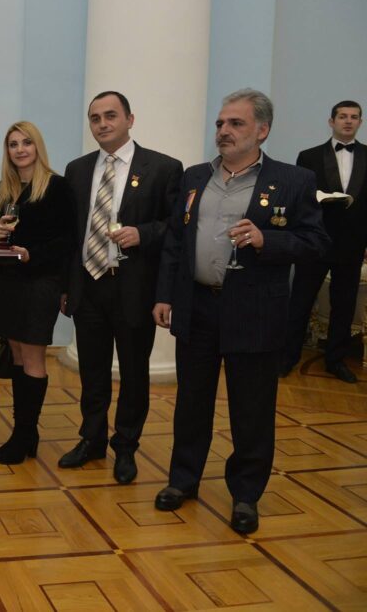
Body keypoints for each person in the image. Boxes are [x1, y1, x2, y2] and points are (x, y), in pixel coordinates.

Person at [153, 89, 328, 534]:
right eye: (220, 123)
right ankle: (183, 480)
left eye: (236, 124)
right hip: (197, 305)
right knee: (191, 402)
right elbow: (176, 240)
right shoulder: (195, 177)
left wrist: (269, 240)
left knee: (251, 409)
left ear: (262, 130)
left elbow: (316, 244)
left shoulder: (293, 181)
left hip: (254, 311)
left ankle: (246, 494)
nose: (224, 131)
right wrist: (165, 295)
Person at [61, 91, 182, 484]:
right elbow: (70, 234)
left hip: (133, 288)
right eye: (95, 118)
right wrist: (67, 286)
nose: (102, 124)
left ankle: (126, 446)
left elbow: (176, 227)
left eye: (110, 115)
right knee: (92, 372)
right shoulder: (78, 169)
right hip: (89, 286)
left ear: (130, 119)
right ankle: (92, 439)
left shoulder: (163, 168)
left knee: (133, 374)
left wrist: (142, 234)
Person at [0, 121, 76, 464]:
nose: (20, 149)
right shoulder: (6, 191)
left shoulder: (56, 186)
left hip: (41, 282)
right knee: (16, 354)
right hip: (11, 282)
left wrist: (32, 255)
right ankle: (25, 431)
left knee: (32, 356)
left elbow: (67, 240)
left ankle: (24, 432)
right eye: (13, 144)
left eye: (26, 142)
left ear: (37, 146)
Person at [281, 101, 366, 383]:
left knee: (344, 304)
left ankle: (336, 361)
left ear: (360, 122)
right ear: (331, 121)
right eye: (342, 116)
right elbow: (299, 199)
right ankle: (288, 357)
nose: (348, 121)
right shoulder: (309, 156)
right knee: (300, 301)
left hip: (353, 244)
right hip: (314, 240)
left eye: (354, 117)